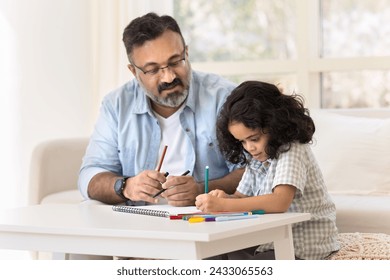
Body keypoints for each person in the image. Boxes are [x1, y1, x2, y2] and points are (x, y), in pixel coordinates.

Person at [78, 12, 243, 207]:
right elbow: (89, 177)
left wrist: (201, 189)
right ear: (134, 71)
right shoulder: (116, 105)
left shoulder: (225, 97)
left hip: (208, 222)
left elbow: (256, 170)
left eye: (175, 62)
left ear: (187, 53)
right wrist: (126, 186)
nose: (168, 77)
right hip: (141, 226)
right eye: (153, 70)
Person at [195, 81, 339, 260]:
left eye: (253, 139)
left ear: (274, 125)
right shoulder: (256, 156)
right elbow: (240, 198)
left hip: (302, 245)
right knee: (211, 254)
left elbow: (280, 202)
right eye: (242, 142)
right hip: (269, 240)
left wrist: (224, 206)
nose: (249, 147)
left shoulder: (292, 149)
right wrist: (224, 198)